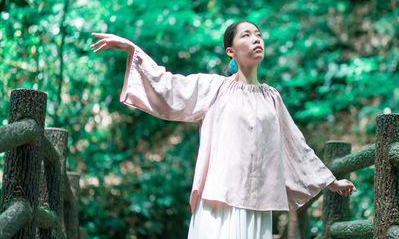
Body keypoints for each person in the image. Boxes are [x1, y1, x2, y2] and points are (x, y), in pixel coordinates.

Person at [90, 20, 356, 239]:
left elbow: (295, 144)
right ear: (231, 51)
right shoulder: (214, 88)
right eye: (247, 35)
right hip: (217, 200)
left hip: (256, 204)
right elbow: (168, 86)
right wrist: (131, 50)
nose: (256, 40)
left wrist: (330, 181)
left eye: (259, 35)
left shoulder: (272, 97)